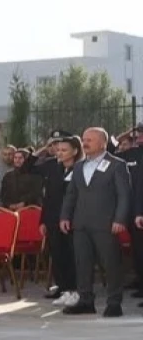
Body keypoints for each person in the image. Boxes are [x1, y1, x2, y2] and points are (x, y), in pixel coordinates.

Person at [60, 127, 130, 318]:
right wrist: (65, 216)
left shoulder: (117, 165)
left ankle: (114, 302)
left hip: (106, 224)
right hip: (80, 223)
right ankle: (85, 301)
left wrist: (119, 219)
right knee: (82, 263)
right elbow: (71, 194)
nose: (85, 143)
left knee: (111, 263)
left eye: (90, 139)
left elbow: (124, 196)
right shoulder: (78, 166)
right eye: (84, 139)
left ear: (102, 143)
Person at [42, 136, 81, 303]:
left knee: (70, 256)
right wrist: (42, 221)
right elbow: (47, 197)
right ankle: (62, 287)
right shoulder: (54, 170)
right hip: (52, 220)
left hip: (71, 220)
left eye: (64, 150)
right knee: (56, 255)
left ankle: (74, 289)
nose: (59, 153)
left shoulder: (80, 170)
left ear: (75, 151)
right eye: (58, 150)